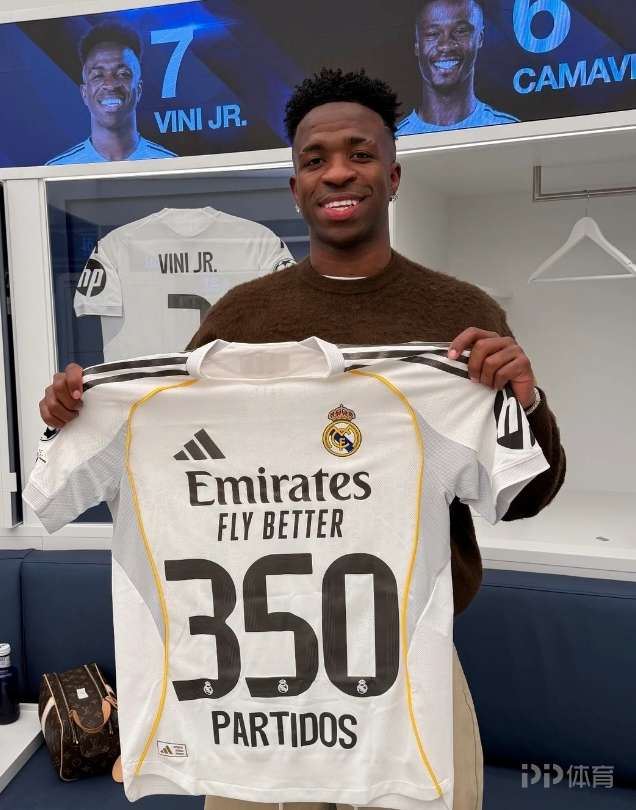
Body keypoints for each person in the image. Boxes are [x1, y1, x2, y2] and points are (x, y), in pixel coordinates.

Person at [39, 67, 566, 810]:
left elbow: (526, 495)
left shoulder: (459, 314)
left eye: (359, 154)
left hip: (404, 657)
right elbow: (167, 439)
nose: (338, 173)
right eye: (316, 159)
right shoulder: (239, 317)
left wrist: (527, 400)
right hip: (250, 672)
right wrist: (74, 416)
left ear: (393, 175)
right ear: (296, 187)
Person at [46, 22, 176, 165]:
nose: (110, 85)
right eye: (98, 75)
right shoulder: (57, 169)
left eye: (123, 74)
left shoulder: (170, 164)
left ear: (139, 90)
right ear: (84, 94)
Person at [397, 0, 519, 135]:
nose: (446, 46)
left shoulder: (509, 131)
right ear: (417, 44)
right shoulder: (395, 140)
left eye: (460, 31)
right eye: (432, 33)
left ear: (480, 38)